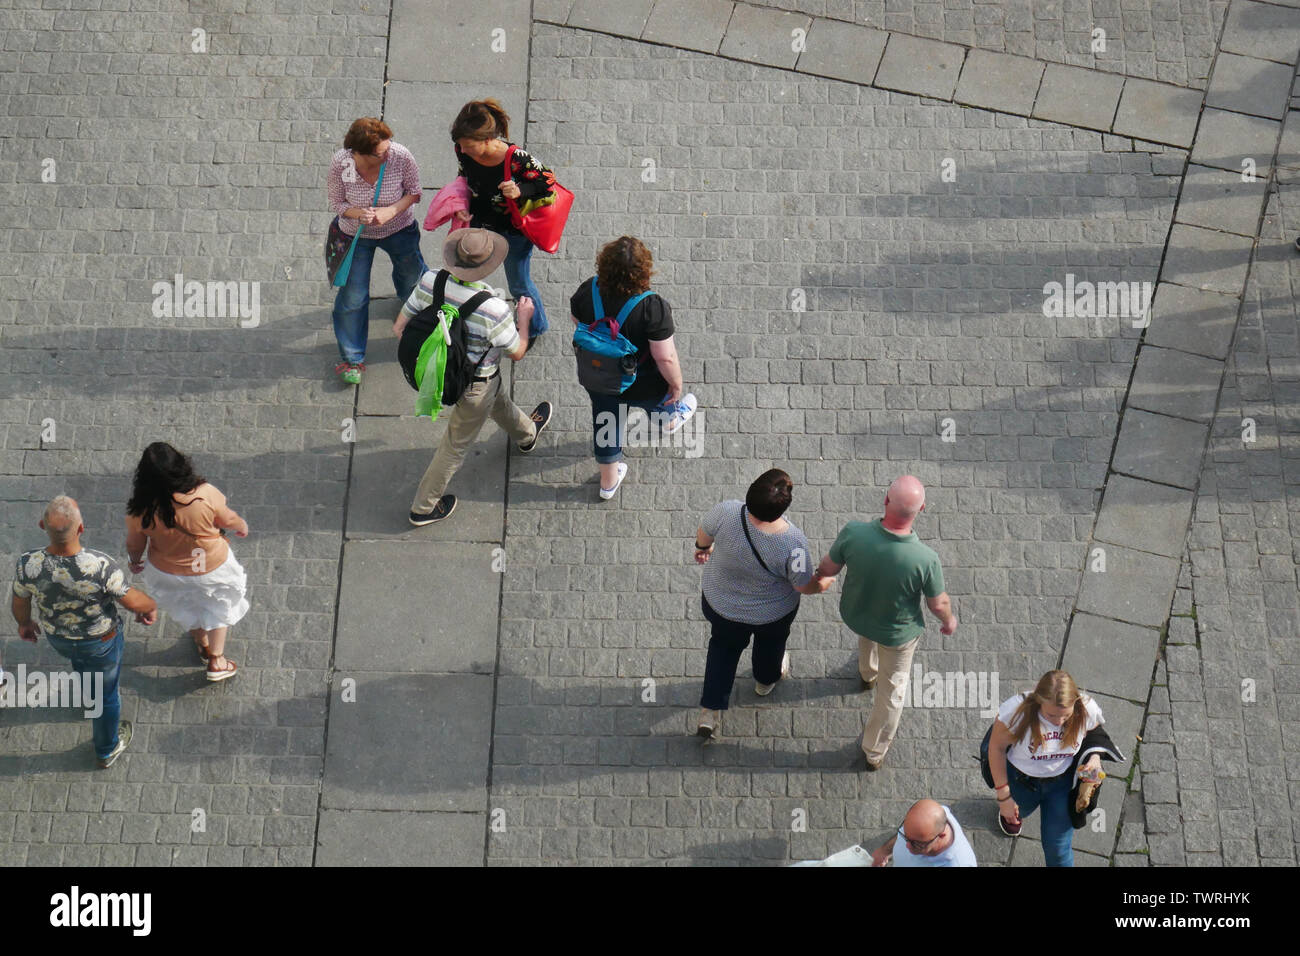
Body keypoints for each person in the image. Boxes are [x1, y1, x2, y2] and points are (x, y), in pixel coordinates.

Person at [397, 228, 554, 526]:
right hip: (475, 384)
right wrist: (523, 319)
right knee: (455, 446)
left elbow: (400, 326)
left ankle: (526, 434)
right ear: (489, 264)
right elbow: (517, 351)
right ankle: (423, 506)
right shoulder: (493, 309)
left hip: (437, 373)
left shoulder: (431, 280)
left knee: (497, 400)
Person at [810, 476, 956, 771]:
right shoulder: (925, 559)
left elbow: (827, 568)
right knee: (892, 693)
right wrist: (948, 620)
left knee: (867, 640)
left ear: (885, 500)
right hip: (897, 633)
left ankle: (867, 672)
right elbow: (937, 603)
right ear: (922, 509)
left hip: (858, 614)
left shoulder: (854, 533)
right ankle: (874, 751)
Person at [11, 496, 158, 768]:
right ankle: (107, 748)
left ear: (42, 525)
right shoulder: (100, 566)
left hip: (59, 638)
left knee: (81, 664)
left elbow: (20, 600)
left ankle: (89, 694)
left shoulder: (27, 563)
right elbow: (131, 600)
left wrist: (25, 623)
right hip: (100, 640)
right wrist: (149, 607)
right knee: (107, 695)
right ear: (81, 529)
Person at [692, 470, 831, 738]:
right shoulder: (794, 543)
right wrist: (823, 584)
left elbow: (704, 534)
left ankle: (710, 710)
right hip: (772, 615)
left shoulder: (727, 511)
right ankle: (764, 682)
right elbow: (802, 585)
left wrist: (703, 548)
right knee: (771, 646)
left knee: (722, 649)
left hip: (720, 604)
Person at [571, 236, 697, 500]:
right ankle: (669, 420)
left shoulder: (587, 290)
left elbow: (577, 322)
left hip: (600, 379)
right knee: (661, 400)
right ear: (644, 272)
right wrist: (676, 384)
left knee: (606, 424)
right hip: (644, 381)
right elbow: (665, 358)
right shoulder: (652, 307)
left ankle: (608, 483)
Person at [125, 443, 250, 682]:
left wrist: (134, 561)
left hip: (168, 571)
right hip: (211, 567)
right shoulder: (204, 494)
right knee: (218, 608)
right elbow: (228, 518)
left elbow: (134, 544)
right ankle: (217, 660)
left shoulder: (140, 510)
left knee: (185, 607)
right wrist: (241, 526)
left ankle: (201, 643)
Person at [327, 117, 426, 385]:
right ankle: (352, 358)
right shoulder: (341, 163)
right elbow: (336, 202)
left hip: (400, 230)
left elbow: (415, 192)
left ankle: (419, 324)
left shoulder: (399, 156)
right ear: (359, 153)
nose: (388, 153)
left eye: (387, 147)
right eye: (381, 152)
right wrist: (360, 214)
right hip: (355, 234)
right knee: (353, 296)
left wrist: (390, 211)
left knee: (411, 281)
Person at [986, 670, 1118, 867]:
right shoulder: (1017, 712)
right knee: (1015, 813)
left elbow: (1095, 733)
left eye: (1065, 716)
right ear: (1039, 701)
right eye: (1051, 715)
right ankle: (1012, 815)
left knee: (1058, 848)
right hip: (1021, 781)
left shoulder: (1085, 708)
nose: (1058, 722)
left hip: (1062, 785)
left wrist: (1095, 757)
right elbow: (996, 748)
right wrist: (1004, 796)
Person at [450, 99, 554, 343]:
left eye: (468, 146)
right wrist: (460, 206)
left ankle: (535, 326)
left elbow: (547, 183)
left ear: (487, 140)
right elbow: (463, 176)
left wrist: (520, 190)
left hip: (513, 232)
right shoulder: (461, 149)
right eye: (460, 146)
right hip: (478, 222)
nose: (463, 151)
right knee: (465, 272)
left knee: (518, 284)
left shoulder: (517, 159)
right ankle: (467, 317)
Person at [870, 799, 977, 867]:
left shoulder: (961, 863)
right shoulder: (927, 819)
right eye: (905, 836)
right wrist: (884, 852)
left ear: (941, 836)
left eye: (916, 844)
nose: (907, 846)